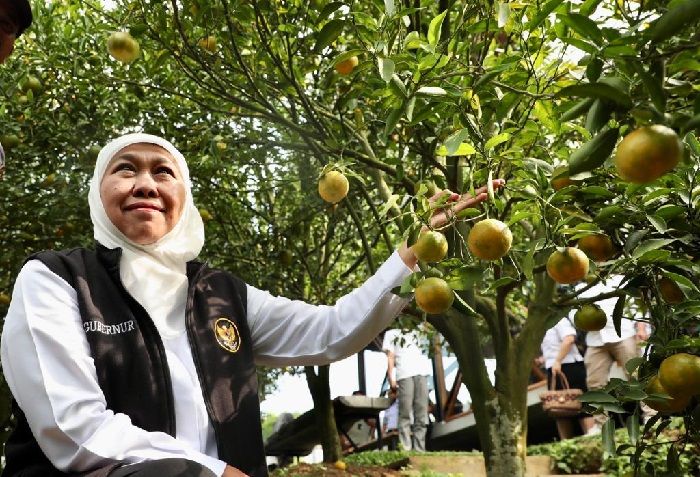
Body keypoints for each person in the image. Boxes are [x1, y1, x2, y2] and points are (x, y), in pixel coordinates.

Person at [0, 132, 505, 477]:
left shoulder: (221, 293)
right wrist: (211, 472)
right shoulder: (58, 279)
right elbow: (72, 426)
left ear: (184, 195)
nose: (146, 184)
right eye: (125, 169)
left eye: (163, 172)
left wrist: (412, 256)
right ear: (98, 191)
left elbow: (330, 331)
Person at [573, 275, 649, 434]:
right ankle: (602, 425)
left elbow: (638, 305)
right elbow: (576, 316)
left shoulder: (621, 279)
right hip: (595, 339)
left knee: (637, 376)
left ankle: (651, 415)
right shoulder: (581, 289)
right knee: (594, 382)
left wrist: (641, 328)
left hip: (623, 333)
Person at [382, 321, 433, 451]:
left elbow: (430, 321)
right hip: (404, 374)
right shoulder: (391, 333)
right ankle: (405, 448)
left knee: (421, 413)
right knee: (404, 411)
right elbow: (390, 357)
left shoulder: (419, 329)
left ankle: (419, 449)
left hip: (421, 373)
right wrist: (391, 378)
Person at [541, 317, 595, 439]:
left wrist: (558, 361)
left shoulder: (558, 320)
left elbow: (569, 339)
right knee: (557, 408)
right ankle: (566, 444)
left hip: (569, 366)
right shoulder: (541, 326)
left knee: (583, 406)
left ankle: (592, 437)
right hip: (553, 368)